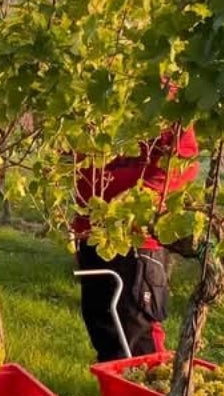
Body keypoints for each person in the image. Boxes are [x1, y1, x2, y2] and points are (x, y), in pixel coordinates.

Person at [74, 123, 199, 363]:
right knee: (105, 330)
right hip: (93, 233)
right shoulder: (87, 95)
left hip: (136, 238)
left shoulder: (164, 94)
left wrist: (136, 202)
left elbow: (182, 163)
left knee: (135, 333)